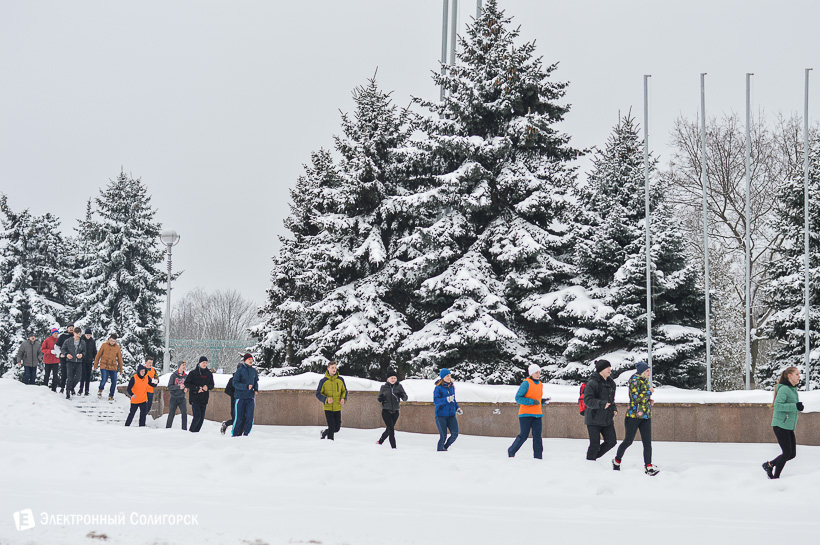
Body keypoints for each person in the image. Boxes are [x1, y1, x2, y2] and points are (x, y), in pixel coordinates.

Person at [613, 362, 658, 476]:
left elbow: (642, 398)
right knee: (628, 441)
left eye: (649, 370)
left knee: (647, 442)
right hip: (633, 416)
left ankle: (648, 466)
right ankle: (617, 461)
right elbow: (635, 398)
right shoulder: (634, 380)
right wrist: (649, 392)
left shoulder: (644, 380)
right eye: (647, 371)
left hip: (645, 416)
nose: (649, 373)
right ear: (641, 372)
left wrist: (649, 401)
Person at [763, 366, 803, 479]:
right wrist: (795, 406)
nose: (799, 376)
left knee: (792, 454)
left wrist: (797, 407)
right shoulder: (785, 389)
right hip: (780, 425)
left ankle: (769, 465)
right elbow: (778, 406)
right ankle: (776, 477)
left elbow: (790, 406)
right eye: (797, 374)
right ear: (790, 376)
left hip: (787, 426)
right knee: (786, 453)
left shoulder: (792, 389)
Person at [507, 364, 548, 459]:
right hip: (525, 415)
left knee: (538, 437)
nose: (538, 374)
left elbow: (536, 399)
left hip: (537, 415)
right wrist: (532, 402)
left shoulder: (540, 384)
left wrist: (542, 401)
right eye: (536, 372)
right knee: (523, 436)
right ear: (531, 373)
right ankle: (511, 451)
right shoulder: (526, 383)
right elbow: (518, 398)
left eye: (539, 372)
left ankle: (538, 457)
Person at [583, 359, 618, 462]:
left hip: (607, 419)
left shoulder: (611, 383)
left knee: (611, 441)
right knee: (595, 445)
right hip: (593, 419)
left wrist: (614, 408)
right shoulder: (592, 383)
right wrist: (602, 404)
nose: (609, 369)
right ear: (600, 370)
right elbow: (587, 400)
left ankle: (593, 458)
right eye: (606, 367)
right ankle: (590, 462)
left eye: (610, 367)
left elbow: (611, 400)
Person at [376, 369, 408, 448]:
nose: (393, 379)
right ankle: (393, 448)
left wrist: (401, 395)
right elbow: (378, 398)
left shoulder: (399, 387)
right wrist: (381, 398)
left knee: (389, 429)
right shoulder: (384, 387)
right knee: (391, 430)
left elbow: (405, 398)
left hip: (395, 412)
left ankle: (380, 441)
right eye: (391, 378)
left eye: (394, 378)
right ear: (388, 379)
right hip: (386, 411)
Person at [315, 361, 347, 440]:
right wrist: (326, 399)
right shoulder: (323, 381)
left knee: (337, 428)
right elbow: (318, 394)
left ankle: (324, 432)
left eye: (335, 367)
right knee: (332, 426)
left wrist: (343, 398)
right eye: (332, 367)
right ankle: (330, 443)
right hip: (328, 407)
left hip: (337, 407)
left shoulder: (340, 380)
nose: (334, 369)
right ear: (328, 368)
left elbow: (344, 391)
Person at [433, 368, 462, 452]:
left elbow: (453, 400)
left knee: (455, 434)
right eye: (447, 376)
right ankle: (440, 451)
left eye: (450, 375)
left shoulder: (451, 387)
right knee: (443, 436)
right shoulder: (438, 388)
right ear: (442, 377)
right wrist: (446, 399)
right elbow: (436, 401)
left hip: (451, 415)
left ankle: (445, 448)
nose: (449, 378)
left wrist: (457, 408)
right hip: (441, 415)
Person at [232, 353, 259, 437]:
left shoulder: (253, 371)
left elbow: (255, 381)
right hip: (240, 397)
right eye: (249, 359)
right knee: (239, 417)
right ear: (245, 360)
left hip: (250, 397)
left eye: (252, 359)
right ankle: (235, 434)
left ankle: (246, 434)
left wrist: (256, 389)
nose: (251, 361)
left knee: (250, 417)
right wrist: (245, 387)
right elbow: (235, 383)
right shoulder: (240, 370)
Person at [185, 356, 214, 433]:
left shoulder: (209, 374)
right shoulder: (193, 373)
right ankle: (191, 431)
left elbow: (212, 385)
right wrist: (196, 388)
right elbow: (187, 383)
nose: (205, 364)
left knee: (201, 418)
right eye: (203, 362)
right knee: (197, 416)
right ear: (199, 363)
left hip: (204, 398)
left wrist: (207, 387)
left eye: (206, 363)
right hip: (195, 397)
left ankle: (196, 433)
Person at [94, 334, 124, 401]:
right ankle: (100, 389)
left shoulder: (117, 347)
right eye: (111, 341)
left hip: (113, 366)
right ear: (109, 339)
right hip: (104, 365)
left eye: (113, 341)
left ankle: (111, 395)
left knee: (114, 381)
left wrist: (120, 369)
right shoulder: (104, 345)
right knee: (104, 379)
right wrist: (95, 365)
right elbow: (98, 355)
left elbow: (120, 359)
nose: (112, 342)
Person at [60, 328, 87, 400]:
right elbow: (63, 349)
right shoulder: (68, 341)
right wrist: (66, 354)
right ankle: (68, 392)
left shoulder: (82, 342)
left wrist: (82, 355)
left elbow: (84, 351)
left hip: (79, 362)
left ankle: (71, 387)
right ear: (74, 333)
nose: (78, 335)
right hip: (70, 361)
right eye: (77, 333)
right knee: (70, 377)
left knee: (78, 377)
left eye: (79, 334)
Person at [166, 361, 188, 430]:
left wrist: (186, 388)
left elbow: (187, 384)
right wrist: (178, 387)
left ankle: (184, 429)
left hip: (182, 397)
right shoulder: (174, 375)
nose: (184, 366)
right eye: (182, 365)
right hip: (174, 397)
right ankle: (168, 428)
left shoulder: (186, 376)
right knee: (171, 414)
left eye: (185, 365)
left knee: (184, 413)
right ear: (179, 366)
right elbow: (169, 386)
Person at [56, 325, 74, 393]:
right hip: (64, 357)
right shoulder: (63, 336)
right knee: (64, 373)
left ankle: (71, 388)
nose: (71, 329)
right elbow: (56, 346)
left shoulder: (75, 336)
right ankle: (62, 387)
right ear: (67, 329)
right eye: (70, 328)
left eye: (72, 328)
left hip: (72, 358)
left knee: (72, 373)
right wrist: (60, 354)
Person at [79, 329, 97, 396]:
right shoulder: (81, 340)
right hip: (82, 360)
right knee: (82, 375)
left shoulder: (92, 341)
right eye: (87, 335)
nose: (88, 336)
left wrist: (95, 359)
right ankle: (81, 389)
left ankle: (87, 390)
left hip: (89, 360)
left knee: (88, 376)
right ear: (85, 334)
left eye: (89, 335)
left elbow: (94, 351)